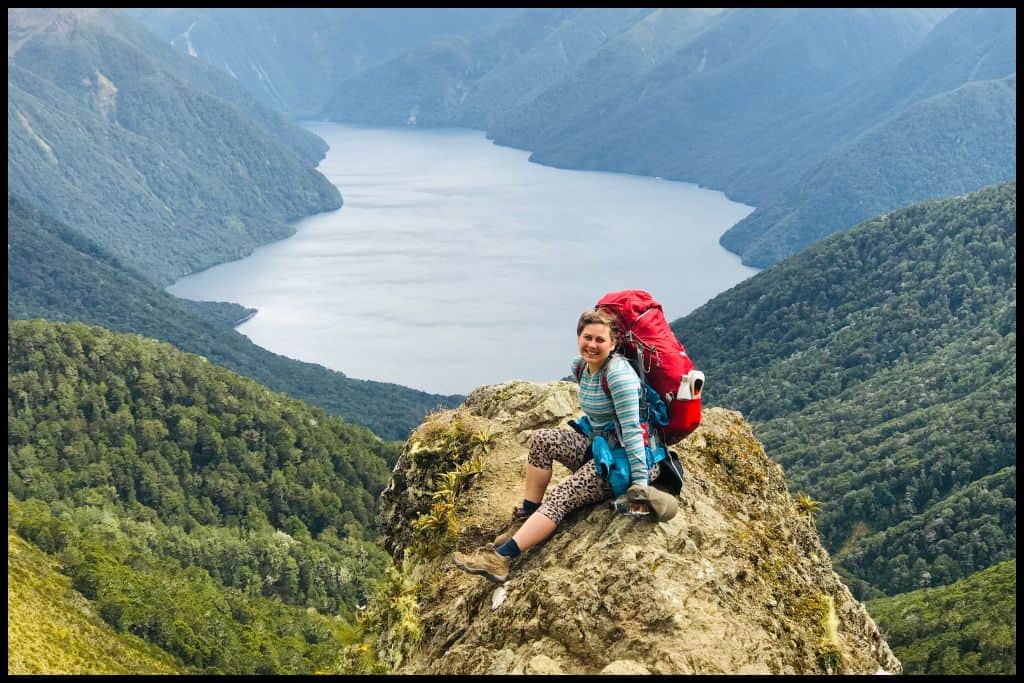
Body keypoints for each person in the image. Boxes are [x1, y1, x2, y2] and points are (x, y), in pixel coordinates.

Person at [451, 307, 674, 584]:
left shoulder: (619, 376)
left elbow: (633, 432)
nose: (592, 345)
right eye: (586, 337)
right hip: (600, 446)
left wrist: (640, 485)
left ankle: (501, 558)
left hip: (627, 460)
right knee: (543, 440)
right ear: (578, 337)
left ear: (614, 343)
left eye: (600, 340)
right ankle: (527, 517)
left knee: (563, 495)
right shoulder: (581, 367)